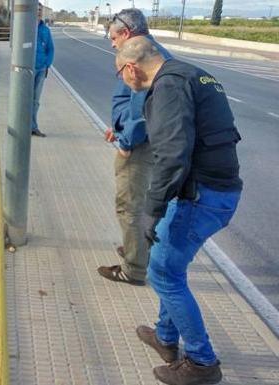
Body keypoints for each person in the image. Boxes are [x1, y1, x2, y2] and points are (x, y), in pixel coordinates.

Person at [116, 36, 242, 385]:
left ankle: (203, 362)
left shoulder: (168, 88)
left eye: (120, 74)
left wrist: (152, 210)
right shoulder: (191, 74)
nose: (122, 81)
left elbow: (172, 155)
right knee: (168, 265)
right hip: (216, 190)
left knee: (163, 274)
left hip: (201, 196)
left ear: (130, 68)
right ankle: (166, 338)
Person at [97, 8, 172, 286]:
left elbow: (142, 110)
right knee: (141, 204)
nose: (112, 42)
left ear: (126, 33)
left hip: (140, 146)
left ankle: (134, 268)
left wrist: (126, 141)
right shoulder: (152, 51)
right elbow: (133, 105)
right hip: (145, 140)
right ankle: (137, 250)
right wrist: (117, 127)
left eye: (113, 37)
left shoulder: (140, 57)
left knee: (130, 206)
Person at [31, 2, 54, 138]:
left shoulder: (45, 29)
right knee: (23, 99)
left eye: (40, 10)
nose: (39, 12)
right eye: (36, 10)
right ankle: (22, 126)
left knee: (35, 100)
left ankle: (33, 127)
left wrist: (47, 64)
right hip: (26, 70)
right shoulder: (25, 27)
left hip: (41, 69)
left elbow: (50, 49)